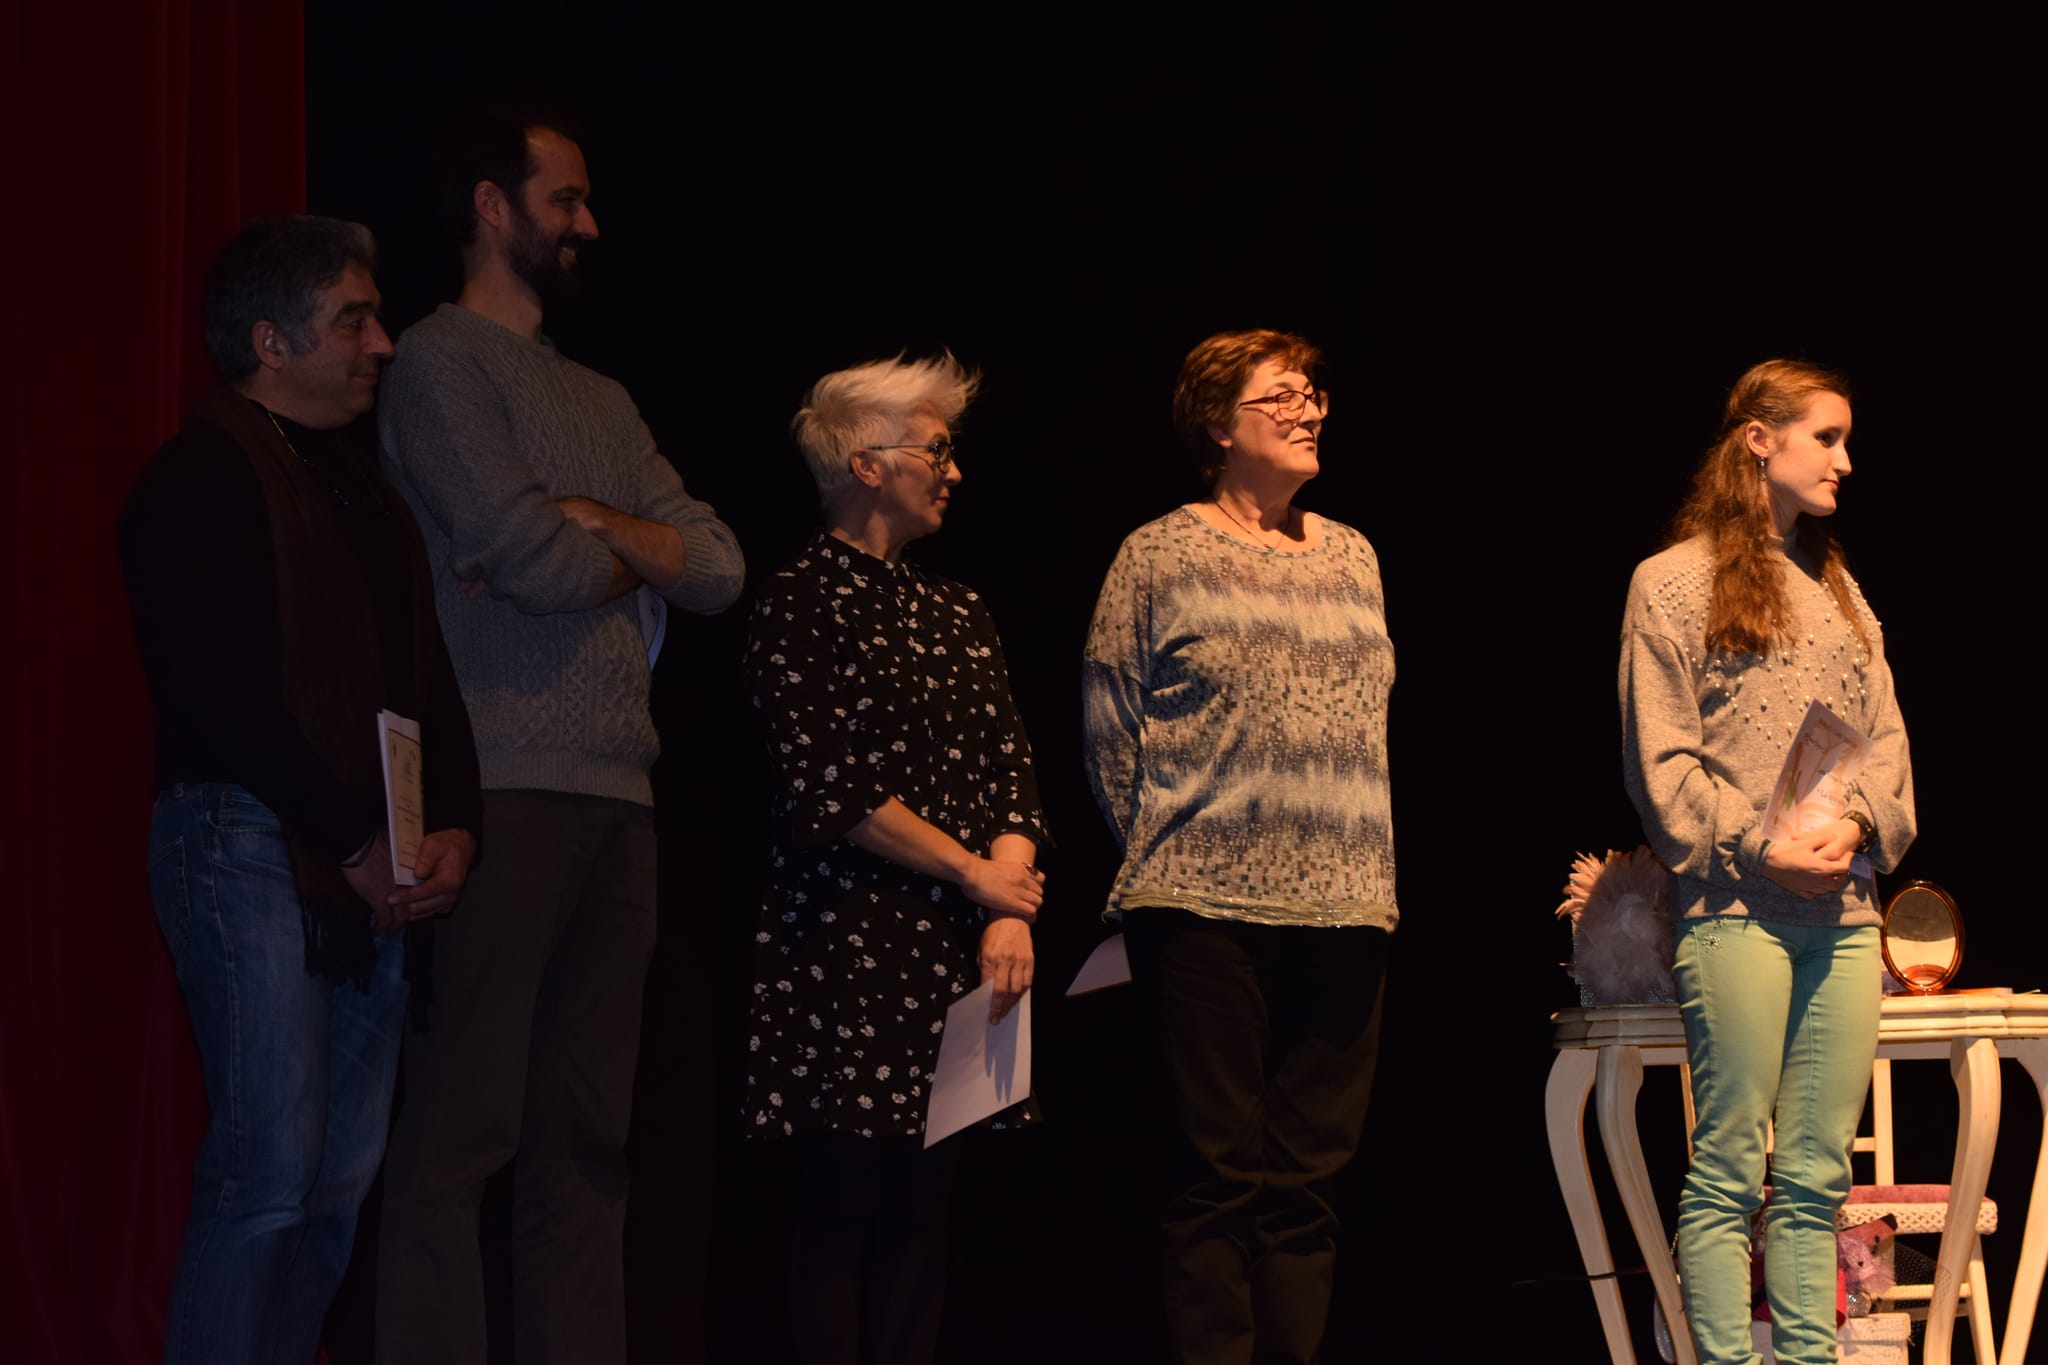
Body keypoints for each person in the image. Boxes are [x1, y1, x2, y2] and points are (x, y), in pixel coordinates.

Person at [373, 113, 745, 1365]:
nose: (588, 223)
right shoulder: (437, 363)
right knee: (461, 1130)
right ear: (492, 206)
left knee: (588, 1140)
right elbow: (523, 554)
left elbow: (719, 566)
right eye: (565, 199)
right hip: (495, 785)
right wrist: (625, 556)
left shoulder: (602, 397)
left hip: (618, 802)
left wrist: (595, 526)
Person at [117, 215, 481, 1365]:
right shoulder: (197, 478)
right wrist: (354, 840)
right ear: (270, 342)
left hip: (363, 858)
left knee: (334, 1185)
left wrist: (454, 826)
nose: (383, 342)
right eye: (353, 320)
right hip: (250, 836)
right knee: (270, 1171)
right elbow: (215, 695)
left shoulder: (369, 497)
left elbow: (426, 681)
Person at [1082, 329, 1396, 1364]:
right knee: (1216, 1174)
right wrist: (1175, 849)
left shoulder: (1352, 554)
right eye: (1282, 396)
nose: (1309, 411)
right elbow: (1110, 727)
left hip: (1346, 903)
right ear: (1218, 426)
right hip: (1203, 905)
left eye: (1315, 395)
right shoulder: (1158, 554)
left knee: (1309, 1183)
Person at [742, 353, 1048, 1365]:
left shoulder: (960, 611)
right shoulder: (797, 599)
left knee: (926, 1218)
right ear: (866, 465)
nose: (954, 471)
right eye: (937, 450)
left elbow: (1011, 773)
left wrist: (1006, 906)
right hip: (848, 947)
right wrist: (976, 875)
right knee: (841, 1215)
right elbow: (833, 790)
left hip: (962, 949)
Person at [1619, 359, 1915, 1365]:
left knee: (1815, 1176)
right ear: (1758, 439)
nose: (1844, 459)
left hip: (1843, 915)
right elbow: (1661, 760)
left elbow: (1885, 741)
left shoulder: (1839, 590)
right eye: (1825, 437)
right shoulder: (1670, 583)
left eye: (1844, 439)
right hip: (1736, 909)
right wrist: (1758, 845)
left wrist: (1857, 827)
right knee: (1728, 1167)